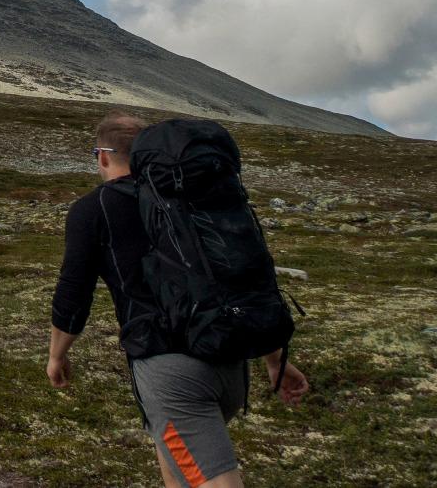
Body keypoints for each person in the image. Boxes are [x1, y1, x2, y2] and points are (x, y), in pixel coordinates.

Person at [48, 111, 309, 488]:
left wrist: (57, 354)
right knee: (177, 468)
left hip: (173, 378)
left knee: (210, 481)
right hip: (231, 364)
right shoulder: (195, 198)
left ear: (103, 155)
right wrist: (274, 360)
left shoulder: (95, 208)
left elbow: (74, 292)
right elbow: (245, 272)